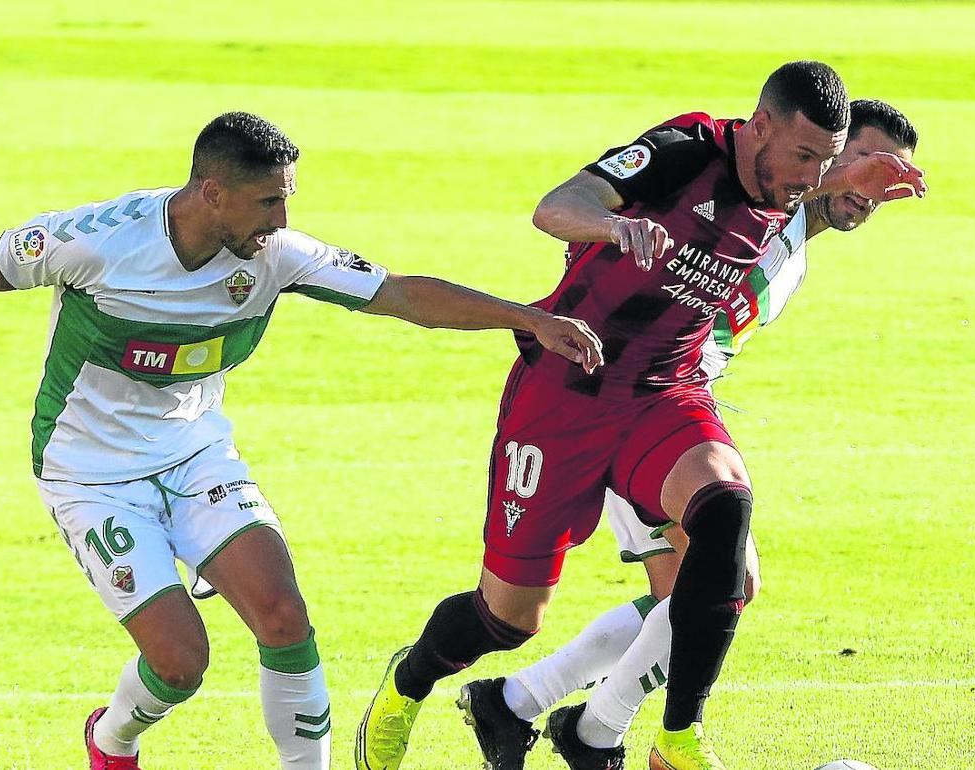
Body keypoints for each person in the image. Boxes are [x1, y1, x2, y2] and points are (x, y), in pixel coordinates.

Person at [0, 111, 604, 770]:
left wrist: (527, 317)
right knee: (182, 663)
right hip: (89, 472)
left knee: (284, 617)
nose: (281, 218)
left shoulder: (278, 255)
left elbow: (404, 295)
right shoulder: (97, 242)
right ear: (212, 192)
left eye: (286, 198)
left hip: (196, 457)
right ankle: (113, 739)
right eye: (268, 201)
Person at [357, 60, 922, 770]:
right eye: (806, 157)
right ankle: (408, 688)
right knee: (507, 617)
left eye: (826, 162)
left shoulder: (795, 191)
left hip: (664, 392)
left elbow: (811, 188)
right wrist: (611, 228)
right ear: (762, 128)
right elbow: (555, 206)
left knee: (725, 510)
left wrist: (850, 179)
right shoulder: (687, 149)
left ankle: (674, 738)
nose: (811, 177)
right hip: (568, 388)